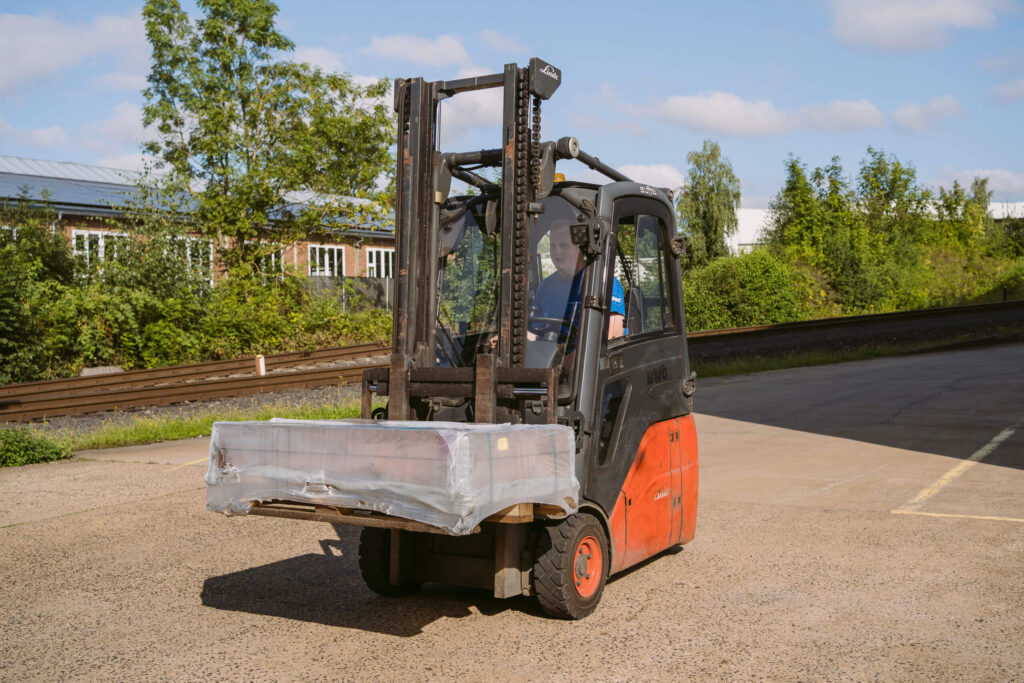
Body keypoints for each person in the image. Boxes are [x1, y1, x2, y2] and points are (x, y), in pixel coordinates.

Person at [532, 220, 625, 342]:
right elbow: (536, 333)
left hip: (587, 354)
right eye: (553, 246)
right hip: (552, 352)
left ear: (580, 249)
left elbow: (613, 336)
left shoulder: (603, 283)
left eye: (563, 246)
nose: (557, 252)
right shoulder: (545, 286)